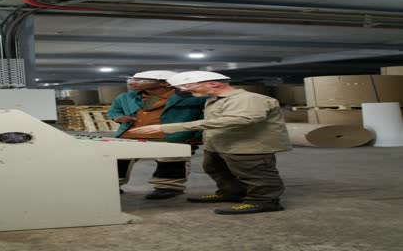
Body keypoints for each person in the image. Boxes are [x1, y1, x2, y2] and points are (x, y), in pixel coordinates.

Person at [129, 71, 291, 214]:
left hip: (248, 146)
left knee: (256, 175)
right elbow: (212, 122)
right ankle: (231, 193)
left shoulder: (249, 99)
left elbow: (240, 120)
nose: (183, 90)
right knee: (215, 169)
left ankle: (264, 201)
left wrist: (172, 128)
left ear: (213, 84)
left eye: (186, 85)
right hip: (219, 145)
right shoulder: (214, 99)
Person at [107, 70, 206, 200]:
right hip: (130, 135)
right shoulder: (125, 97)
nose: (132, 82)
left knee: (171, 161)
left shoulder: (192, 98)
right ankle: (112, 185)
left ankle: (167, 187)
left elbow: (204, 117)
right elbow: (114, 111)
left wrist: (198, 136)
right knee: (118, 161)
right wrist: (118, 117)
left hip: (170, 136)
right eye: (132, 79)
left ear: (164, 83)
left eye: (140, 80)